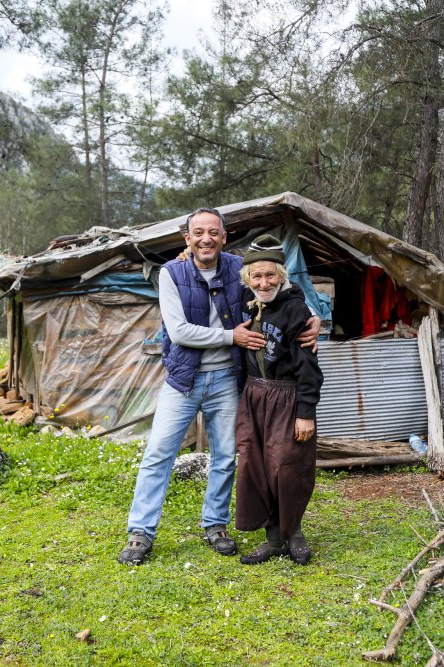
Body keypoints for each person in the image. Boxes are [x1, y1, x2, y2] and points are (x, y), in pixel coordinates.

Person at [118, 209, 318, 565]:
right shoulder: (171, 273)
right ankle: (141, 531)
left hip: (227, 377)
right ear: (187, 238)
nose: (205, 238)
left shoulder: (235, 267)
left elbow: (277, 282)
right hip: (183, 379)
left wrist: (311, 316)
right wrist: (232, 335)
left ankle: (215, 524)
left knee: (226, 455)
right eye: (198, 232)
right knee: (159, 453)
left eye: (213, 232)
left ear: (224, 237)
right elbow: (177, 331)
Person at [234, 235, 324, 566]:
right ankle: (273, 539)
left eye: (271, 275)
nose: (264, 282)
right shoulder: (247, 302)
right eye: (256, 276)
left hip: (286, 397)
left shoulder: (295, 311)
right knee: (255, 466)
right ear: (246, 279)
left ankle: (294, 533)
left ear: (282, 275)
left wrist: (305, 412)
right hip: (254, 395)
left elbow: (309, 368)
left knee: (288, 467)